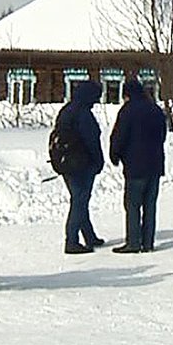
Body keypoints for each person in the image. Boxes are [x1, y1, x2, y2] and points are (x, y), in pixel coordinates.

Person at [109, 78, 167, 254]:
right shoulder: (156, 109)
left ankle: (133, 242)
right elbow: (163, 135)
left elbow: (119, 136)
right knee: (150, 205)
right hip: (155, 165)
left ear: (127, 94)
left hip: (135, 166)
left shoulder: (128, 111)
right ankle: (148, 242)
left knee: (133, 205)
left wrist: (115, 155)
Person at [54, 79, 106, 254]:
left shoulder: (66, 111)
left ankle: (89, 236)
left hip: (65, 163)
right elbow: (92, 140)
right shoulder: (83, 114)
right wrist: (99, 161)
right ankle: (72, 240)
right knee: (80, 201)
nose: (97, 101)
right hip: (82, 164)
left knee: (79, 199)